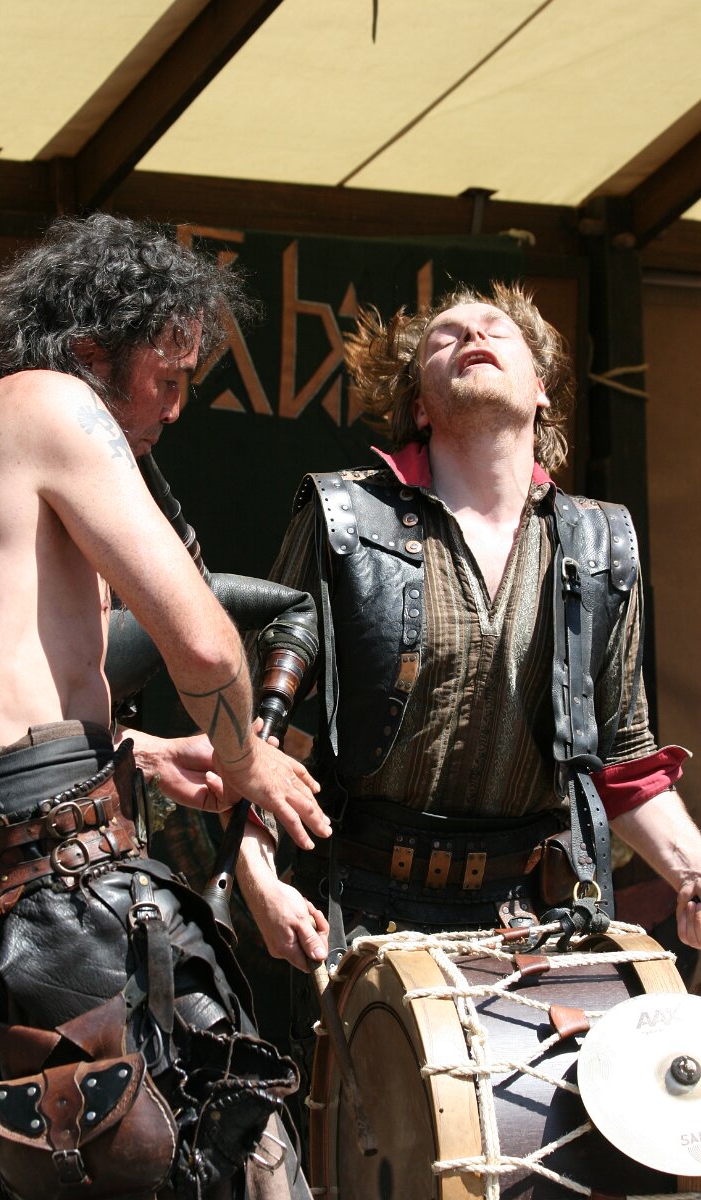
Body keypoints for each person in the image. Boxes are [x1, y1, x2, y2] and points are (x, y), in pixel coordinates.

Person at [0, 213, 330, 1200]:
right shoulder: (54, 401)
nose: (173, 411)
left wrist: (139, 752)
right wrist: (246, 759)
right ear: (93, 352)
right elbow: (204, 643)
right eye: (167, 379)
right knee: (248, 1172)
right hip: (74, 902)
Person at [232, 280, 701, 1092]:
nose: (474, 335)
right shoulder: (345, 516)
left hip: (532, 922)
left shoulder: (600, 540)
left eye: (497, 330)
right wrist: (256, 874)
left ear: (541, 387)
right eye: (446, 336)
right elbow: (259, 735)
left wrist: (692, 871)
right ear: (418, 402)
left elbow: (623, 759)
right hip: (360, 915)